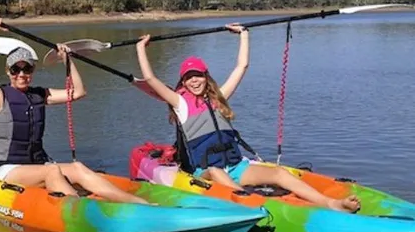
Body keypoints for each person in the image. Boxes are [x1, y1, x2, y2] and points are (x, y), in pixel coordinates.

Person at [134, 24, 360, 213]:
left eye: (198, 76)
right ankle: (252, 207)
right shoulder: (180, 103)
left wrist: (244, 34)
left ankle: (331, 203)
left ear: (206, 77)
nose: (194, 81)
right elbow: (151, 79)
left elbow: (242, 66)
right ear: (183, 82)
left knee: (279, 173)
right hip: (206, 172)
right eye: (189, 78)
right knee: (215, 171)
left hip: (235, 166)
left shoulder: (218, 98)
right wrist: (141, 48)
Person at [0, 16, 150, 204]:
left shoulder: (40, 95)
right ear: (8, 71)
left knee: (77, 168)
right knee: (52, 170)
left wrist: (67, 60)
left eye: (26, 69)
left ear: (32, 71)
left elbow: (78, 92)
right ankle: (83, 209)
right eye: (16, 70)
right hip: (7, 170)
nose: (21, 74)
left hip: (36, 166)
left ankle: (137, 203)